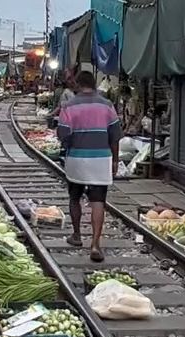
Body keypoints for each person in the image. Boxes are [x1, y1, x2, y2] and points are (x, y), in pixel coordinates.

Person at [57, 71, 123, 262]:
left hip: (77, 158)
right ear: (94, 85)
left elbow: (63, 134)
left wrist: (70, 143)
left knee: (74, 197)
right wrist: (115, 160)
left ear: (77, 84)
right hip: (101, 159)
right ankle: (95, 244)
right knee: (98, 201)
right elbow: (115, 135)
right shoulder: (107, 105)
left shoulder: (69, 106)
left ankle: (76, 235)